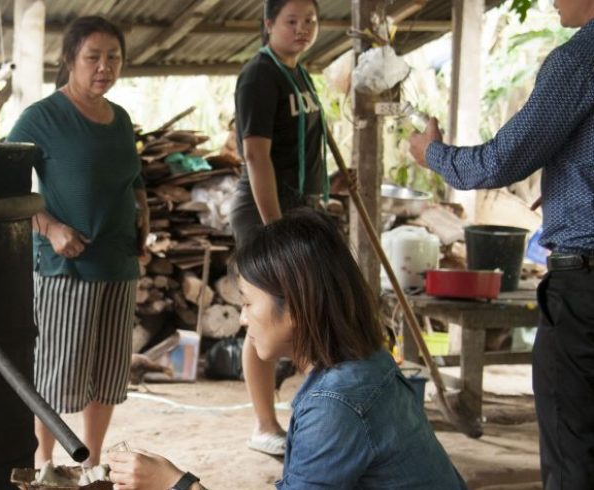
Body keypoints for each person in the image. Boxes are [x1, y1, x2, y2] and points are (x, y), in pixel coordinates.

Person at [108, 209, 468, 490]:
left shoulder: (335, 403)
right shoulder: (368, 360)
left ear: (295, 308)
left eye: (248, 304)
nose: (244, 320)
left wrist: (174, 482)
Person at [408, 3, 594, 487]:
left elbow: (497, 164)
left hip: (586, 292)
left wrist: (431, 152)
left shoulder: (580, 59)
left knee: (574, 448)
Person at [6, 16, 149, 467]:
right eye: (93, 57)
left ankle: (91, 464)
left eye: (114, 58)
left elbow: (134, 179)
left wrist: (143, 221)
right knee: (54, 373)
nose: (104, 67)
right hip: (66, 267)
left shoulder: (120, 119)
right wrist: (48, 227)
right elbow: (4, 184)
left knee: (107, 375)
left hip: (119, 264)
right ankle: (44, 463)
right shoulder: (42, 118)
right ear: (69, 60)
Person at [230, 0, 330, 456]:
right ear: (269, 24)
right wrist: (274, 228)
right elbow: (256, 155)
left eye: (310, 21)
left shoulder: (300, 73)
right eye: (292, 21)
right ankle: (265, 425)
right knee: (263, 315)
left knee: (305, 310)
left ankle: (312, 415)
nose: (303, 29)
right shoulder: (259, 75)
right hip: (264, 210)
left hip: (298, 207)